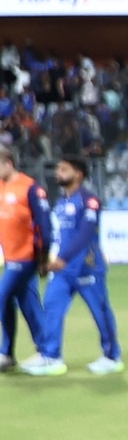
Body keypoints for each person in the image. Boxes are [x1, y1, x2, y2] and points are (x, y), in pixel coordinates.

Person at [24, 156, 122, 376]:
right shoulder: (60, 203)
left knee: (100, 311)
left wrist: (63, 258)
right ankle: (51, 356)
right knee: (51, 306)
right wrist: (46, 258)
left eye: (63, 169)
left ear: (78, 174)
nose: (58, 173)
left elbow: (85, 235)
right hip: (62, 270)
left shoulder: (89, 201)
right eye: (58, 169)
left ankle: (111, 356)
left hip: (87, 268)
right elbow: (59, 236)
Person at [0, 146, 48, 372]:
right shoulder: (1, 187)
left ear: (8, 162)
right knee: (26, 302)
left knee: (2, 297)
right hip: (10, 257)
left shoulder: (29, 188)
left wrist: (43, 257)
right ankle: (45, 349)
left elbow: (44, 225)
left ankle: (6, 352)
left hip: (26, 256)